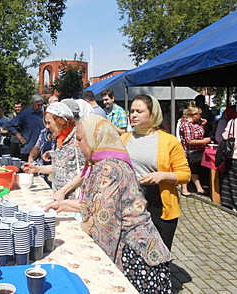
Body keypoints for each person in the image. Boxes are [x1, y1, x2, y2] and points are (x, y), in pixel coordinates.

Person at [45, 115, 172, 293]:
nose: (77, 144)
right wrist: (65, 205)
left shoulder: (109, 168)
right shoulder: (101, 163)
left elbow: (104, 222)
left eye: (80, 139)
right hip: (133, 250)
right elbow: (98, 205)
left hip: (135, 257)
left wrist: (74, 235)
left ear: (95, 138)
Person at [121, 95, 191, 250]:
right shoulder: (124, 138)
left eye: (139, 111)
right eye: (132, 111)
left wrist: (162, 175)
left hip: (158, 203)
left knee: (158, 254)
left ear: (153, 114)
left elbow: (185, 174)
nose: (133, 115)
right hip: (130, 203)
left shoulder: (169, 141)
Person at [23, 102, 84, 200]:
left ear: (61, 121)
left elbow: (86, 171)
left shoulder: (78, 139)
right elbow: (61, 168)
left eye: (49, 123)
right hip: (60, 199)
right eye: (45, 123)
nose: (46, 127)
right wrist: (37, 169)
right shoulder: (58, 138)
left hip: (75, 200)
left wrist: (63, 191)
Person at [178, 104, 211, 196]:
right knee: (187, 169)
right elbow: (190, 141)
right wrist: (204, 141)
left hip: (196, 151)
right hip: (189, 151)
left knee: (194, 170)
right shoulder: (186, 125)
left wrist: (203, 125)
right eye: (199, 114)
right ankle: (184, 189)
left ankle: (199, 188)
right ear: (194, 115)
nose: (200, 116)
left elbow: (199, 133)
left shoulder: (195, 124)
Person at [7, 94, 45, 161]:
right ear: (32, 104)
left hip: (40, 149)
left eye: (41, 105)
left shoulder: (43, 115)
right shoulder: (25, 114)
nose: (40, 107)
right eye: (38, 105)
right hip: (27, 149)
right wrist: (19, 137)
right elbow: (10, 125)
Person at [220, 117, 237, 210]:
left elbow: (225, 136)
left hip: (234, 155)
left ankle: (231, 203)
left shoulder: (233, 122)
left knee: (232, 179)